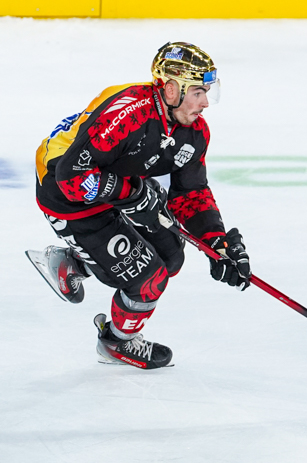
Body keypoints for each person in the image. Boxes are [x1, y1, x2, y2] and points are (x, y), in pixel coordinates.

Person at [27, 42, 252, 368]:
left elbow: (190, 192)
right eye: (198, 92)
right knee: (148, 278)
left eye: (208, 92)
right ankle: (116, 341)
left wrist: (216, 242)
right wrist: (132, 195)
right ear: (172, 89)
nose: (206, 102)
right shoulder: (129, 114)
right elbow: (72, 177)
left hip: (114, 181)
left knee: (170, 255)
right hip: (64, 191)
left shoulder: (194, 132)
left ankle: (73, 265)